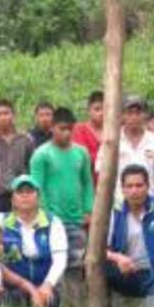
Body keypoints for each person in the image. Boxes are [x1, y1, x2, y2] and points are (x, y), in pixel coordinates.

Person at [29, 107, 94, 282]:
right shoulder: (41, 154)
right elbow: (36, 188)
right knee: (53, 262)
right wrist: (46, 215)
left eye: (69, 129)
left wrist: (88, 210)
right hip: (51, 219)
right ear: (52, 128)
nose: (66, 133)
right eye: (61, 129)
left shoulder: (81, 152)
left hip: (76, 218)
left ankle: (75, 306)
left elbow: (87, 182)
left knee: (76, 262)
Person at [104, 165, 154, 297]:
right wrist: (117, 258)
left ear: (148, 187)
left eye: (139, 185)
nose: (134, 191)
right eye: (129, 186)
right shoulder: (115, 211)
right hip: (125, 273)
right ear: (123, 189)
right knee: (97, 266)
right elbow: (98, 250)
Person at [0, 174, 65, 307]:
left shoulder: (53, 223)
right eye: (20, 192)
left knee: (49, 303)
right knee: (9, 303)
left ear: (38, 197)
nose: (25, 195)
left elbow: (60, 260)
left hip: (44, 287)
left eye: (29, 191)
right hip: (12, 289)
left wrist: (47, 285)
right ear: (12, 199)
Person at [101, 94, 154, 203]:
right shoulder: (112, 140)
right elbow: (103, 174)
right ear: (122, 115)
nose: (134, 117)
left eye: (138, 113)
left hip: (148, 201)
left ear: (145, 116)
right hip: (119, 203)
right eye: (130, 113)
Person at [0, 99, 34, 218]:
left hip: (20, 194)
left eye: (6, 113)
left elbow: (30, 167)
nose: (2, 117)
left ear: (13, 115)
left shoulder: (25, 139)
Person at [72, 91, 105, 185]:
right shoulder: (79, 130)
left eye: (105, 109)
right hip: (86, 183)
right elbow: (82, 157)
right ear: (89, 110)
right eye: (97, 109)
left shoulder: (115, 130)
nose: (101, 113)